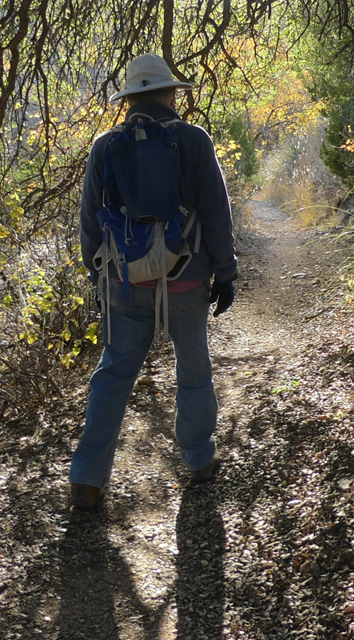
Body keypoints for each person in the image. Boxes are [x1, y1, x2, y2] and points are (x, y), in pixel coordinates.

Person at [70, 53, 238, 510]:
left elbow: (89, 223)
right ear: (169, 93)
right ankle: (200, 462)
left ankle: (87, 479)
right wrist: (225, 272)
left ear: (129, 100)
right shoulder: (193, 140)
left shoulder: (105, 146)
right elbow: (216, 215)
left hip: (124, 284)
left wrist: (98, 276)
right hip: (187, 278)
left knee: (113, 374)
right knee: (194, 369)